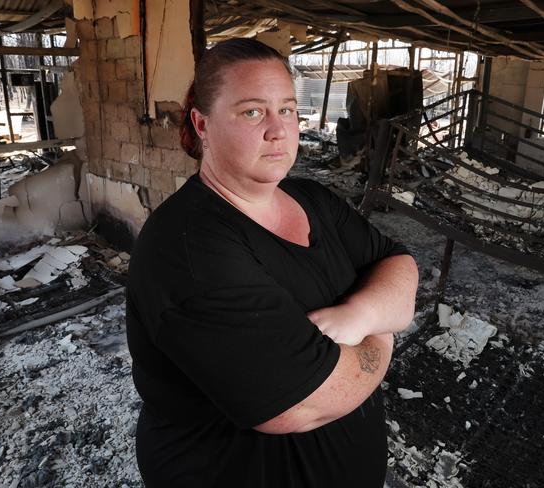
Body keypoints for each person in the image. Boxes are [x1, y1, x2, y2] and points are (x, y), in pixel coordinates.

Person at [126, 38, 419, 488]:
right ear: (202, 124)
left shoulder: (312, 198)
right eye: (252, 112)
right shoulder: (189, 248)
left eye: (286, 109)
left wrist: (358, 315)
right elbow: (301, 405)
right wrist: (381, 328)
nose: (279, 130)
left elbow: (399, 264)